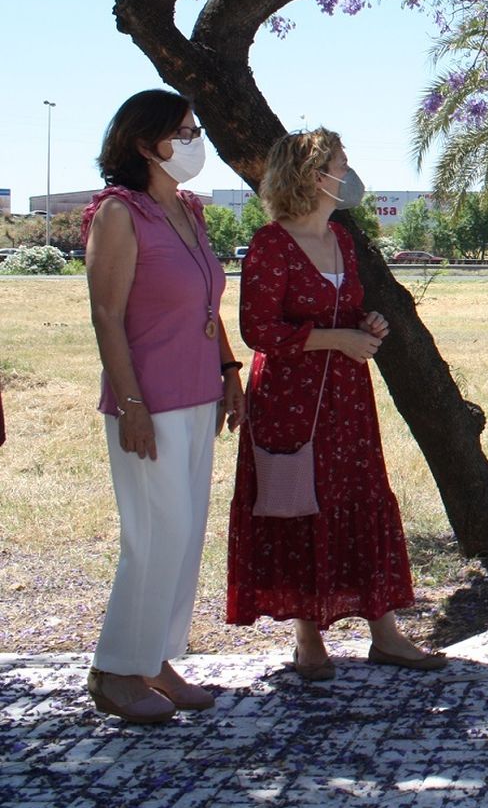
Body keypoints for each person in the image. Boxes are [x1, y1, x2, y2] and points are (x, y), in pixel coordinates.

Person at [227, 129, 444, 678]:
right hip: (291, 400)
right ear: (311, 174)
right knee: (300, 500)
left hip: (347, 396)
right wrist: (335, 340)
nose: (349, 173)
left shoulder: (342, 240)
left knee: (360, 493)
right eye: (340, 163)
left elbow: (339, 313)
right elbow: (258, 329)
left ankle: (385, 632)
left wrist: (364, 325)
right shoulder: (270, 243)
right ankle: (308, 638)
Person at [82, 89, 246, 723]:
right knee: (152, 535)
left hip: (198, 394)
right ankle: (114, 669)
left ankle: (154, 659)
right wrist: (131, 404)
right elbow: (106, 315)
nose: (194, 140)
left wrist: (229, 370)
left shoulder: (189, 211)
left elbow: (207, 303)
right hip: (146, 401)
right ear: (145, 143)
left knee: (183, 537)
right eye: (183, 131)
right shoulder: (117, 213)